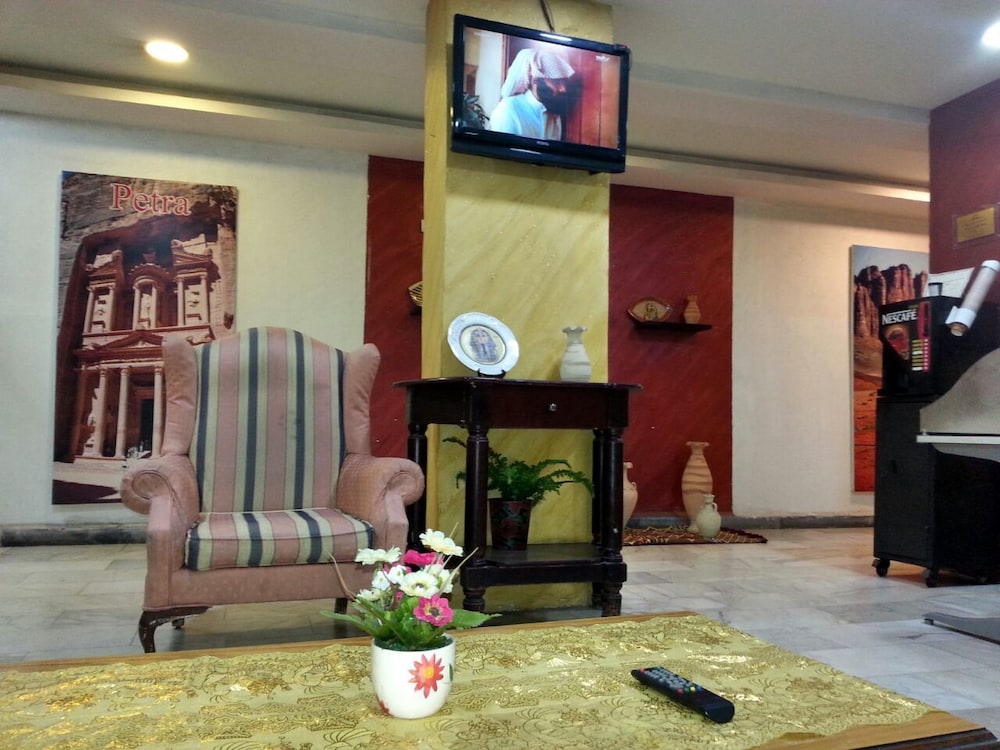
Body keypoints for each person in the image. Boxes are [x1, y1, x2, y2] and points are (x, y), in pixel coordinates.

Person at [489, 47, 575, 140]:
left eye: (564, 82)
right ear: (535, 81)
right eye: (556, 82)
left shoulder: (554, 114)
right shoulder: (508, 110)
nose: (563, 89)